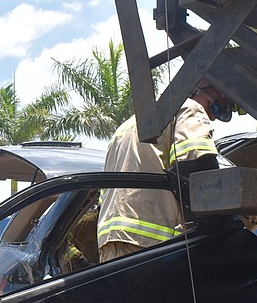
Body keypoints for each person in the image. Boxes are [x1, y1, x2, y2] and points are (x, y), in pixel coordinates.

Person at [98, 80, 233, 262]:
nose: (212, 117)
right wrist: (221, 222)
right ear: (201, 88)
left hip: (110, 247)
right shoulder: (189, 108)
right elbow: (197, 168)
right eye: (215, 107)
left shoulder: (125, 128)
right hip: (151, 245)